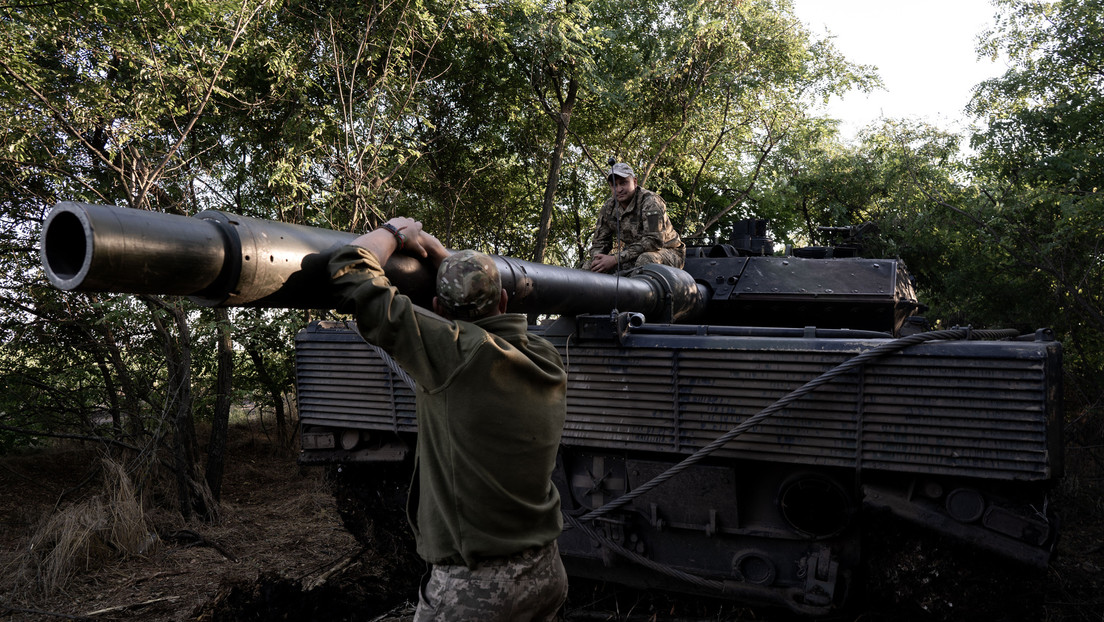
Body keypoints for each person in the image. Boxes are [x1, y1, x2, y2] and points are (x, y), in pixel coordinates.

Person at [328, 218, 569, 622]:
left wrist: (397, 232)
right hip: (545, 571)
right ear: (503, 300)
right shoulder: (544, 355)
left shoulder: (456, 353)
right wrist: (446, 256)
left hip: (478, 587)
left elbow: (349, 267)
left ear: (438, 310)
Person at [588, 162, 685, 274]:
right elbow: (599, 243)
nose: (619, 189)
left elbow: (654, 241)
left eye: (623, 183)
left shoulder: (650, 202)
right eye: (614, 185)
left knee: (645, 260)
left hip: (669, 253)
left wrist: (615, 259)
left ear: (634, 182)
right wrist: (597, 259)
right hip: (633, 255)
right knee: (590, 266)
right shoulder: (609, 207)